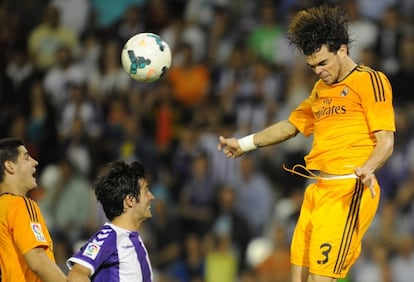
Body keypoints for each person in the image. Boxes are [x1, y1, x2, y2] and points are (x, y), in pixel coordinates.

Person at [218, 5, 395, 282]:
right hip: (317, 192)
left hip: (348, 191)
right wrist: (244, 144)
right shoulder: (320, 90)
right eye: (312, 66)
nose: (318, 71)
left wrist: (368, 167)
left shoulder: (369, 81)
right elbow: (291, 126)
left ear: (343, 50)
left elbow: (386, 140)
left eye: (323, 63)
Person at [66, 160, 155, 281]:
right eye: (146, 191)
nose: (151, 197)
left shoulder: (133, 238)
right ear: (130, 200)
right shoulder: (109, 237)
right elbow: (76, 275)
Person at [0, 138, 66, 281]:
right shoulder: (19, 204)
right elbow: (38, 260)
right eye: (27, 157)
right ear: (10, 166)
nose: (35, 162)